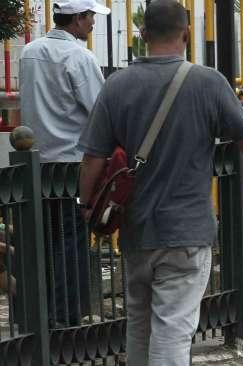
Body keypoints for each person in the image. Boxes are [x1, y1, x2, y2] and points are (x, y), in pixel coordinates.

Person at [77, 1, 243, 365]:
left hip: (138, 231)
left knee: (140, 323)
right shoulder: (208, 82)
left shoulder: (116, 86)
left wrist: (86, 204)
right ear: (186, 34)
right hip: (187, 230)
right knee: (173, 328)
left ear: (142, 35)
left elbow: (93, 158)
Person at [19, 0, 110, 326]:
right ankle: (67, 316)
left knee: (41, 240)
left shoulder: (29, 53)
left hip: (35, 163)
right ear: (78, 19)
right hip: (72, 164)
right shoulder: (80, 57)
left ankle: (38, 316)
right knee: (70, 241)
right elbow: (101, 112)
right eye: (90, 18)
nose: (92, 25)